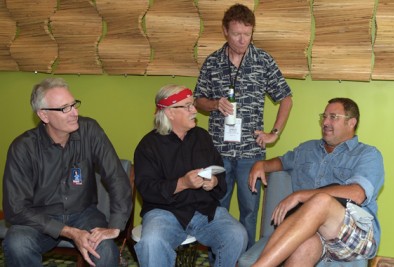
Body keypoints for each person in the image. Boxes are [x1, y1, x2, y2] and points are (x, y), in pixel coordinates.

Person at [2, 77, 133, 267]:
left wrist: (116, 226)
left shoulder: (90, 131)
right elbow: (15, 208)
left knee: (104, 248)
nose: (74, 113)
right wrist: (68, 231)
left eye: (74, 104)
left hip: (84, 213)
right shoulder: (23, 148)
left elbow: (116, 177)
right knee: (17, 244)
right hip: (40, 219)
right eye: (65, 108)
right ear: (44, 116)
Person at [194, 3, 293, 247]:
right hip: (218, 151)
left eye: (247, 34)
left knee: (249, 213)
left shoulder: (263, 61)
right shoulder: (212, 62)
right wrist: (215, 104)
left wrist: (274, 134)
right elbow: (198, 101)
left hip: (251, 152)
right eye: (237, 34)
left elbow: (286, 99)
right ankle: (219, 261)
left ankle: (246, 260)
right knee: (217, 211)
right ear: (225, 31)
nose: (242, 40)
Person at [248, 98, 384, 266]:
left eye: (333, 117)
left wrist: (300, 196)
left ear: (351, 123)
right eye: (324, 116)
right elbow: (282, 162)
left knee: (320, 200)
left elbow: (357, 194)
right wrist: (261, 164)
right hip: (316, 234)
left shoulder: (368, 154)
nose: (325, 122)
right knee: (305, 245)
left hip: (354, 234)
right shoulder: (307, 149)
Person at [133, 84, 248, 267]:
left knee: (237, 235)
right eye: (187, 106)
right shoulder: (148, 146)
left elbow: (219, 172)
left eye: (193, 104)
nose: (194, 110)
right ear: (170, 112)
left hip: (204, 211)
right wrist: (182, 183)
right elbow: (147, 188)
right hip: (165, 213)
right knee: (151, 243)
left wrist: (214, 181)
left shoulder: (202, 137)